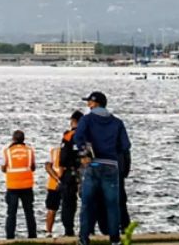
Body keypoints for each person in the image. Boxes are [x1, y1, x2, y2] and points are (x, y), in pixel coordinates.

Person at [74, 91, 131, 245]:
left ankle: (84, 239)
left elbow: (78, 137)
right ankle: (114, 239)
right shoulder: (117, 122)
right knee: (112, 204)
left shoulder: (87, 119)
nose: (88, 105)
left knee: (87, 203)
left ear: (95, 103)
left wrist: (85, 152)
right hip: (111, 165)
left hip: (93, 164)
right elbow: (125, 146)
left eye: (89, 102)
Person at [2, 130, 37, 239]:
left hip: (12, 186)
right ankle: (32, 236)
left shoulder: (7, 151)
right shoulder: (29, 150)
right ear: (23, 139)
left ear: (13, 139)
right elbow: (33, 167)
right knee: (29, 212)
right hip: (27, 185)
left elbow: (3, 167)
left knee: (11, 214)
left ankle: (10, 237)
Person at [58, 110, 84, 237]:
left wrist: (60, 175)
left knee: (68, 203)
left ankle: (69, 230)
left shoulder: (68, 136)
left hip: (70, 173)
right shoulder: (88, 135)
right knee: (89, 201)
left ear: (73, 121)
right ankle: (88, 229)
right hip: (86, 172)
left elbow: (62, 158)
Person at [44, 145, 63, 237]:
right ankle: (69, 231)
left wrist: (56, 178)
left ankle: (48, 232)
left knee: (51, 209)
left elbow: (47, 167)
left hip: (54, 184)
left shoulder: (54, 151)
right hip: (67, 183)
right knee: (69, 208)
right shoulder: (74, 149)